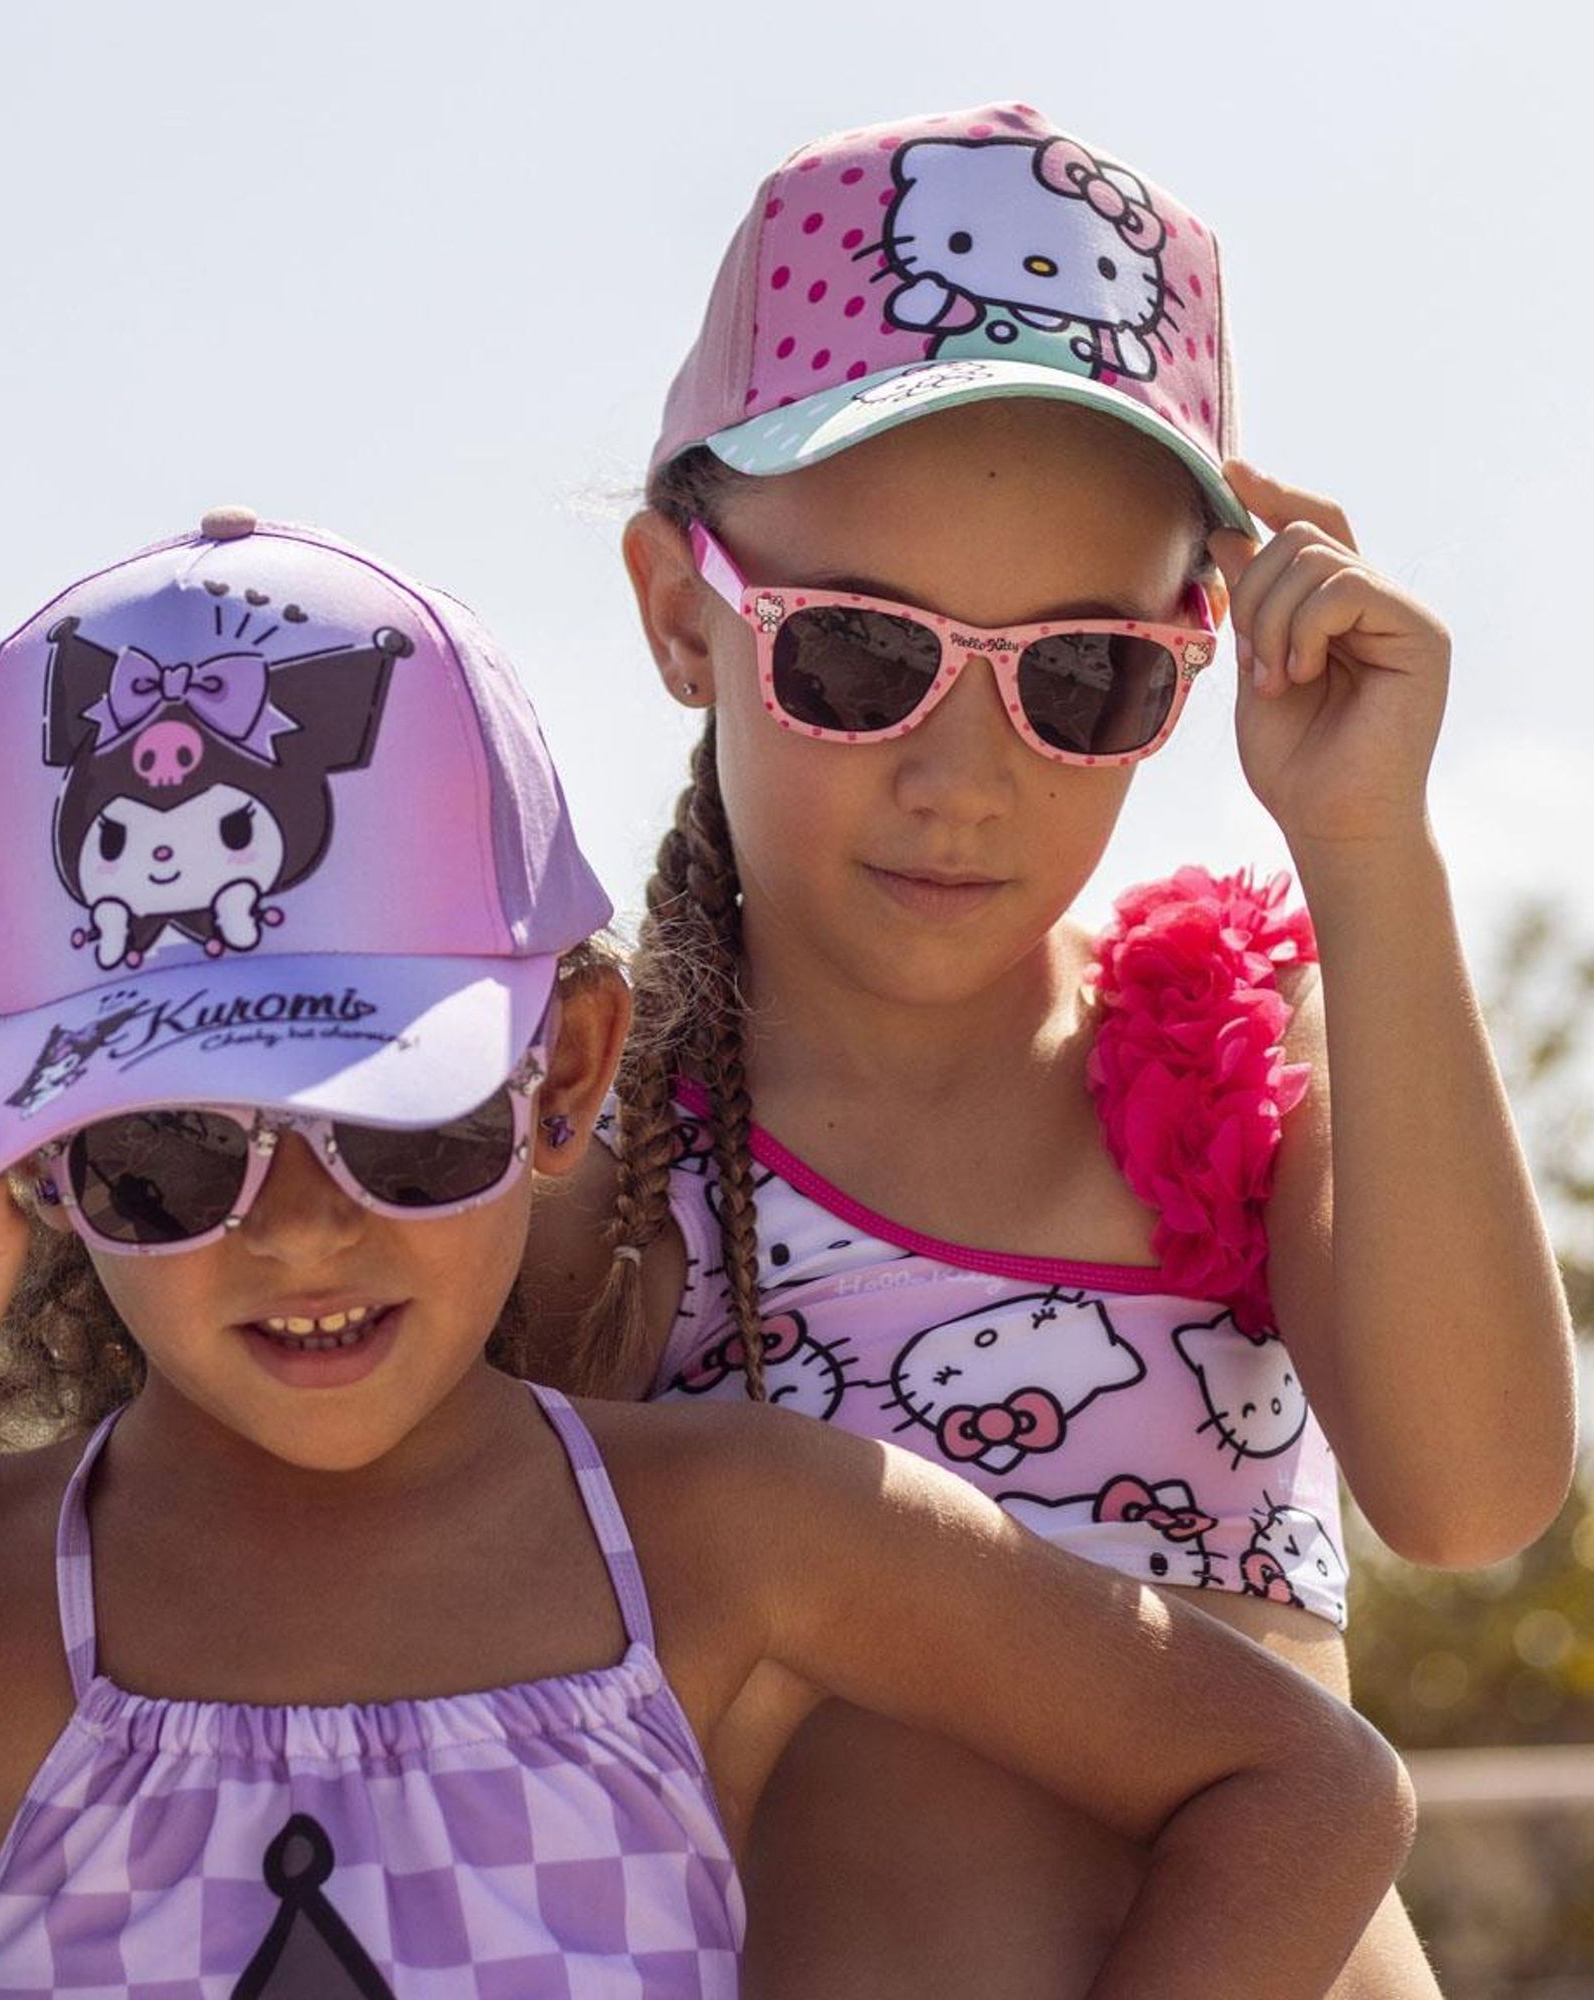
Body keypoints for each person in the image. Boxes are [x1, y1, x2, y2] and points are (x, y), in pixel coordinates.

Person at [0, 508, 1410, 1998]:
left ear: (569, 1073)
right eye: (170, 1157)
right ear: (28, 1159)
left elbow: (1300, 1780)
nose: (305, 1230)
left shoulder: (742, 1527)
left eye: (405, 1127)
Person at [522, 104, 1578, 1997]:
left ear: (1193, 657)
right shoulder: (600, 1166)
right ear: (683, 614)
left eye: (1083, 674)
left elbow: (1474, 1493)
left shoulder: (1234, 1052)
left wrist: (1365, 847)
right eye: (862, 656)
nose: (965, 776)